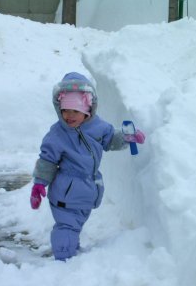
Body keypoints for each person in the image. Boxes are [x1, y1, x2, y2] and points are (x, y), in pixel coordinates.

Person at [30, 72, 145, 261]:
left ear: (87, 109)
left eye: (75, 111)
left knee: (75, 225)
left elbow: (110, 139)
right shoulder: (57, 134)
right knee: (67, 226)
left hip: (86, 190)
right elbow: (47, 160)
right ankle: (63, 260)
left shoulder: (98, 127)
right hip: (65, 192)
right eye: (65, 110)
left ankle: (70, 251)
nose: (69, 116)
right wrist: (39, 184)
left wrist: (127, 137)